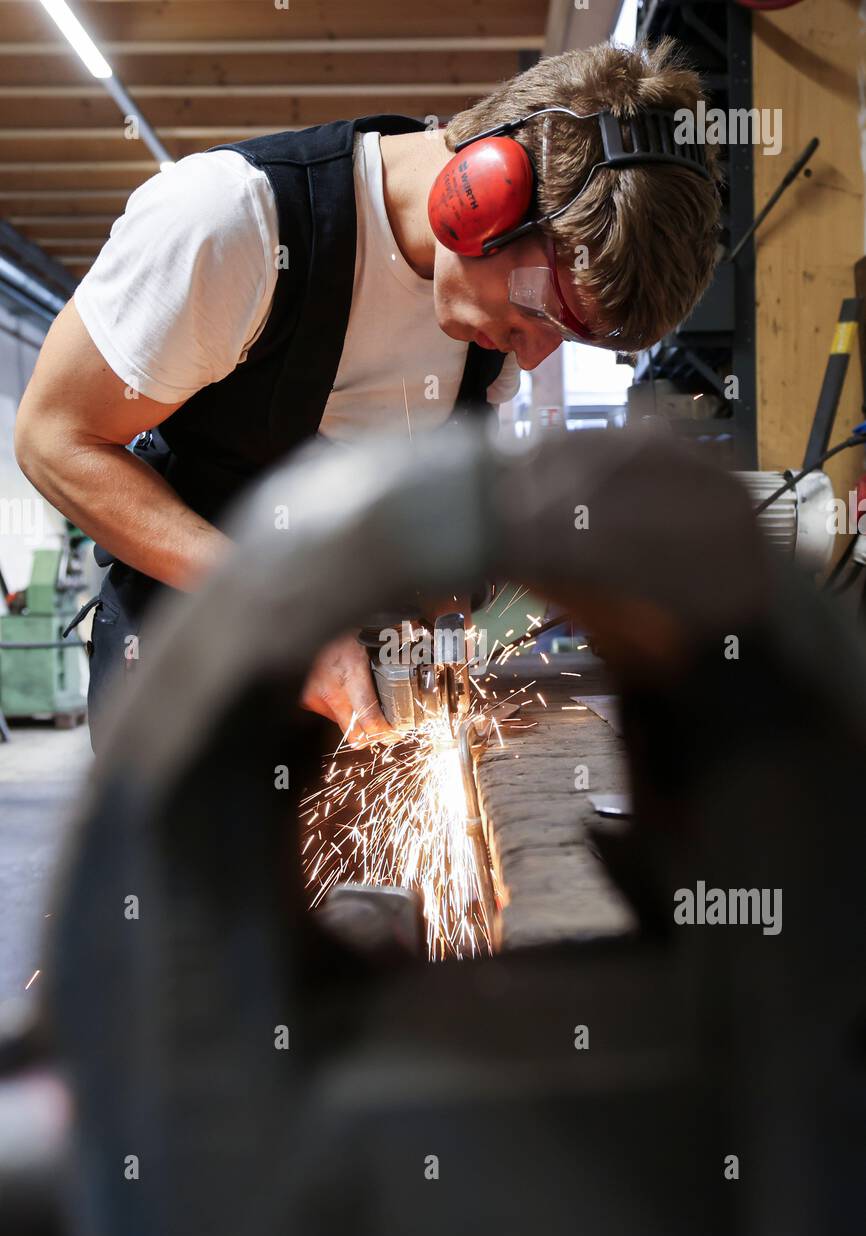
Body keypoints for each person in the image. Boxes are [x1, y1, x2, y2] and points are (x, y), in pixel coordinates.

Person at [14, 39, 719, 752]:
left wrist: (449, 629)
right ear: (484, 190)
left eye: (570, 335)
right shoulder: (233, 222)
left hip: (349, 725)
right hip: (184, 711)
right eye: (543, 305)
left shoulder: (486, 329)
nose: (534, 352)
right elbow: (54, 439)